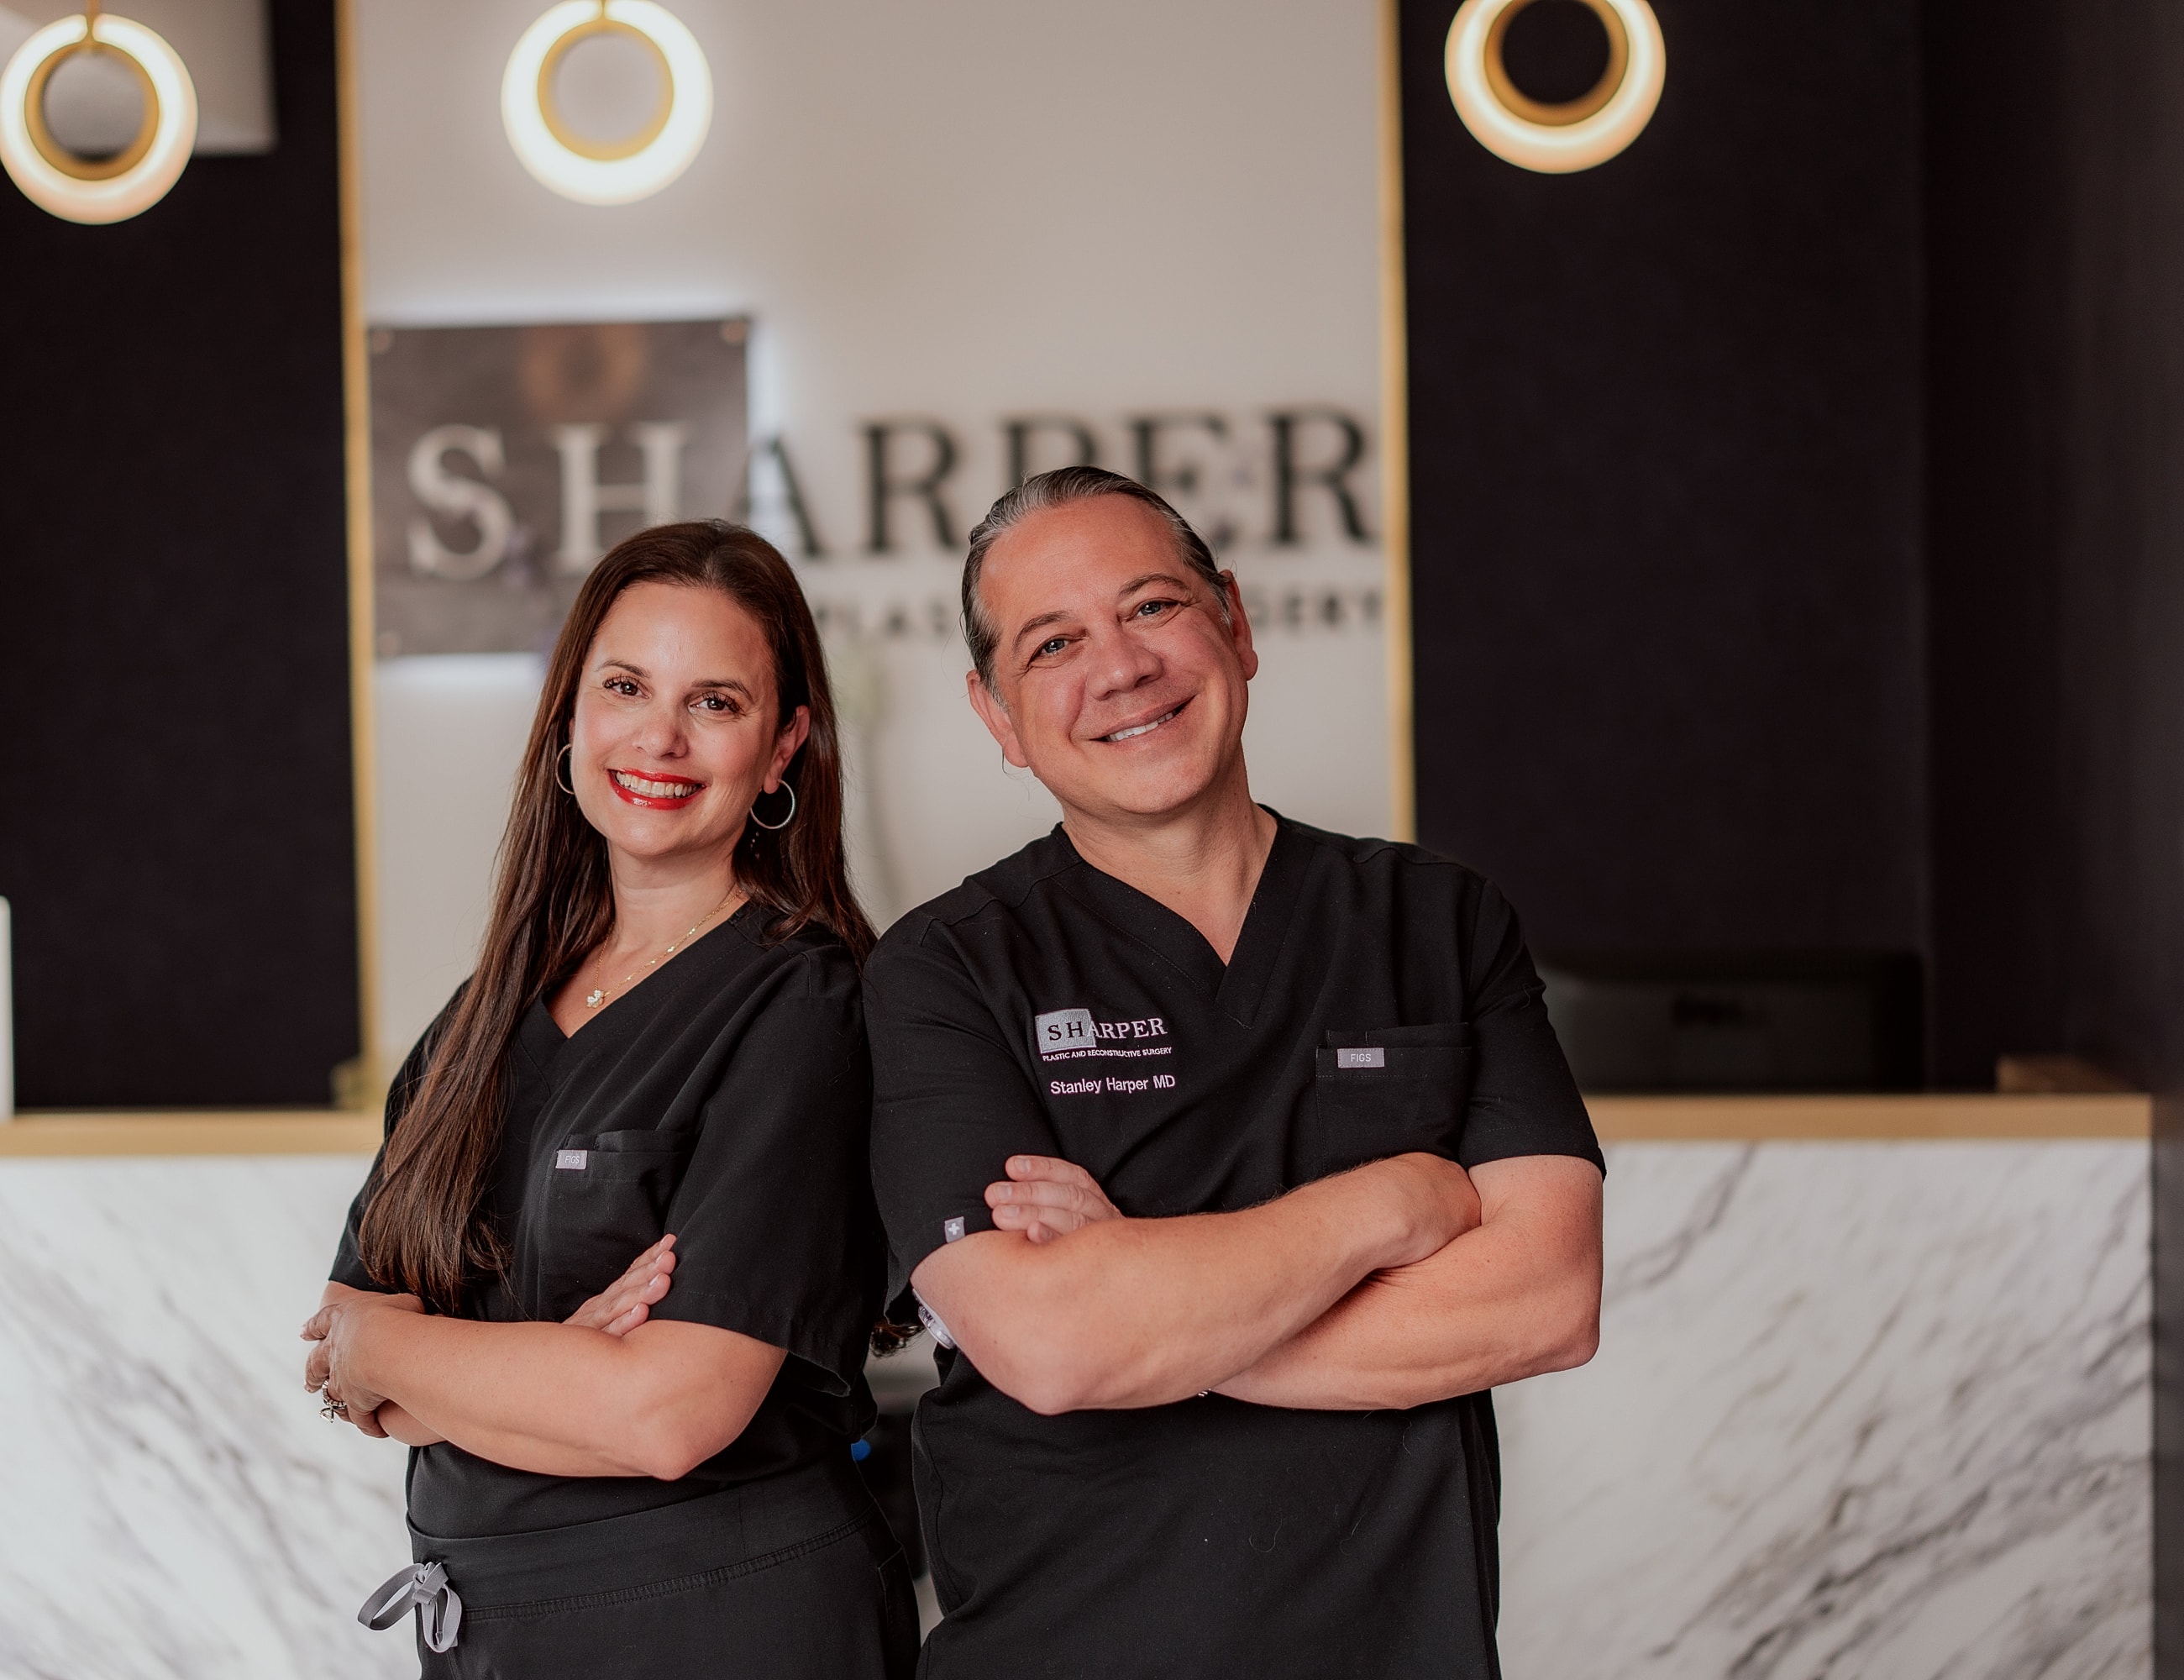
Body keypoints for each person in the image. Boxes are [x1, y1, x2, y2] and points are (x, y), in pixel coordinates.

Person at [861, 467, 1606, 1677]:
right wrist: (1392, 1206)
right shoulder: (942, 973)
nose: (1120, 665)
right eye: (1054, 642)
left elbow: (1546, 1302)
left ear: (1235, 625)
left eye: (1152, 606)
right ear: (996, 713)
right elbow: (1054, 1350)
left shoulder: (1438, 920)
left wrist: (1148, 1297)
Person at [304, 522, 918, 1679]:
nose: (659, 737)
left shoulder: (803, 1008)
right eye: (626, 686)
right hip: (494, 1637)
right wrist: (547, 1367)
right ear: (568, 715)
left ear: (783, 746)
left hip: (718, 1625)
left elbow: (669, 1417)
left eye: (717, 703)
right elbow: (337, 1355)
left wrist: (410, 1352)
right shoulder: (482, 1016)